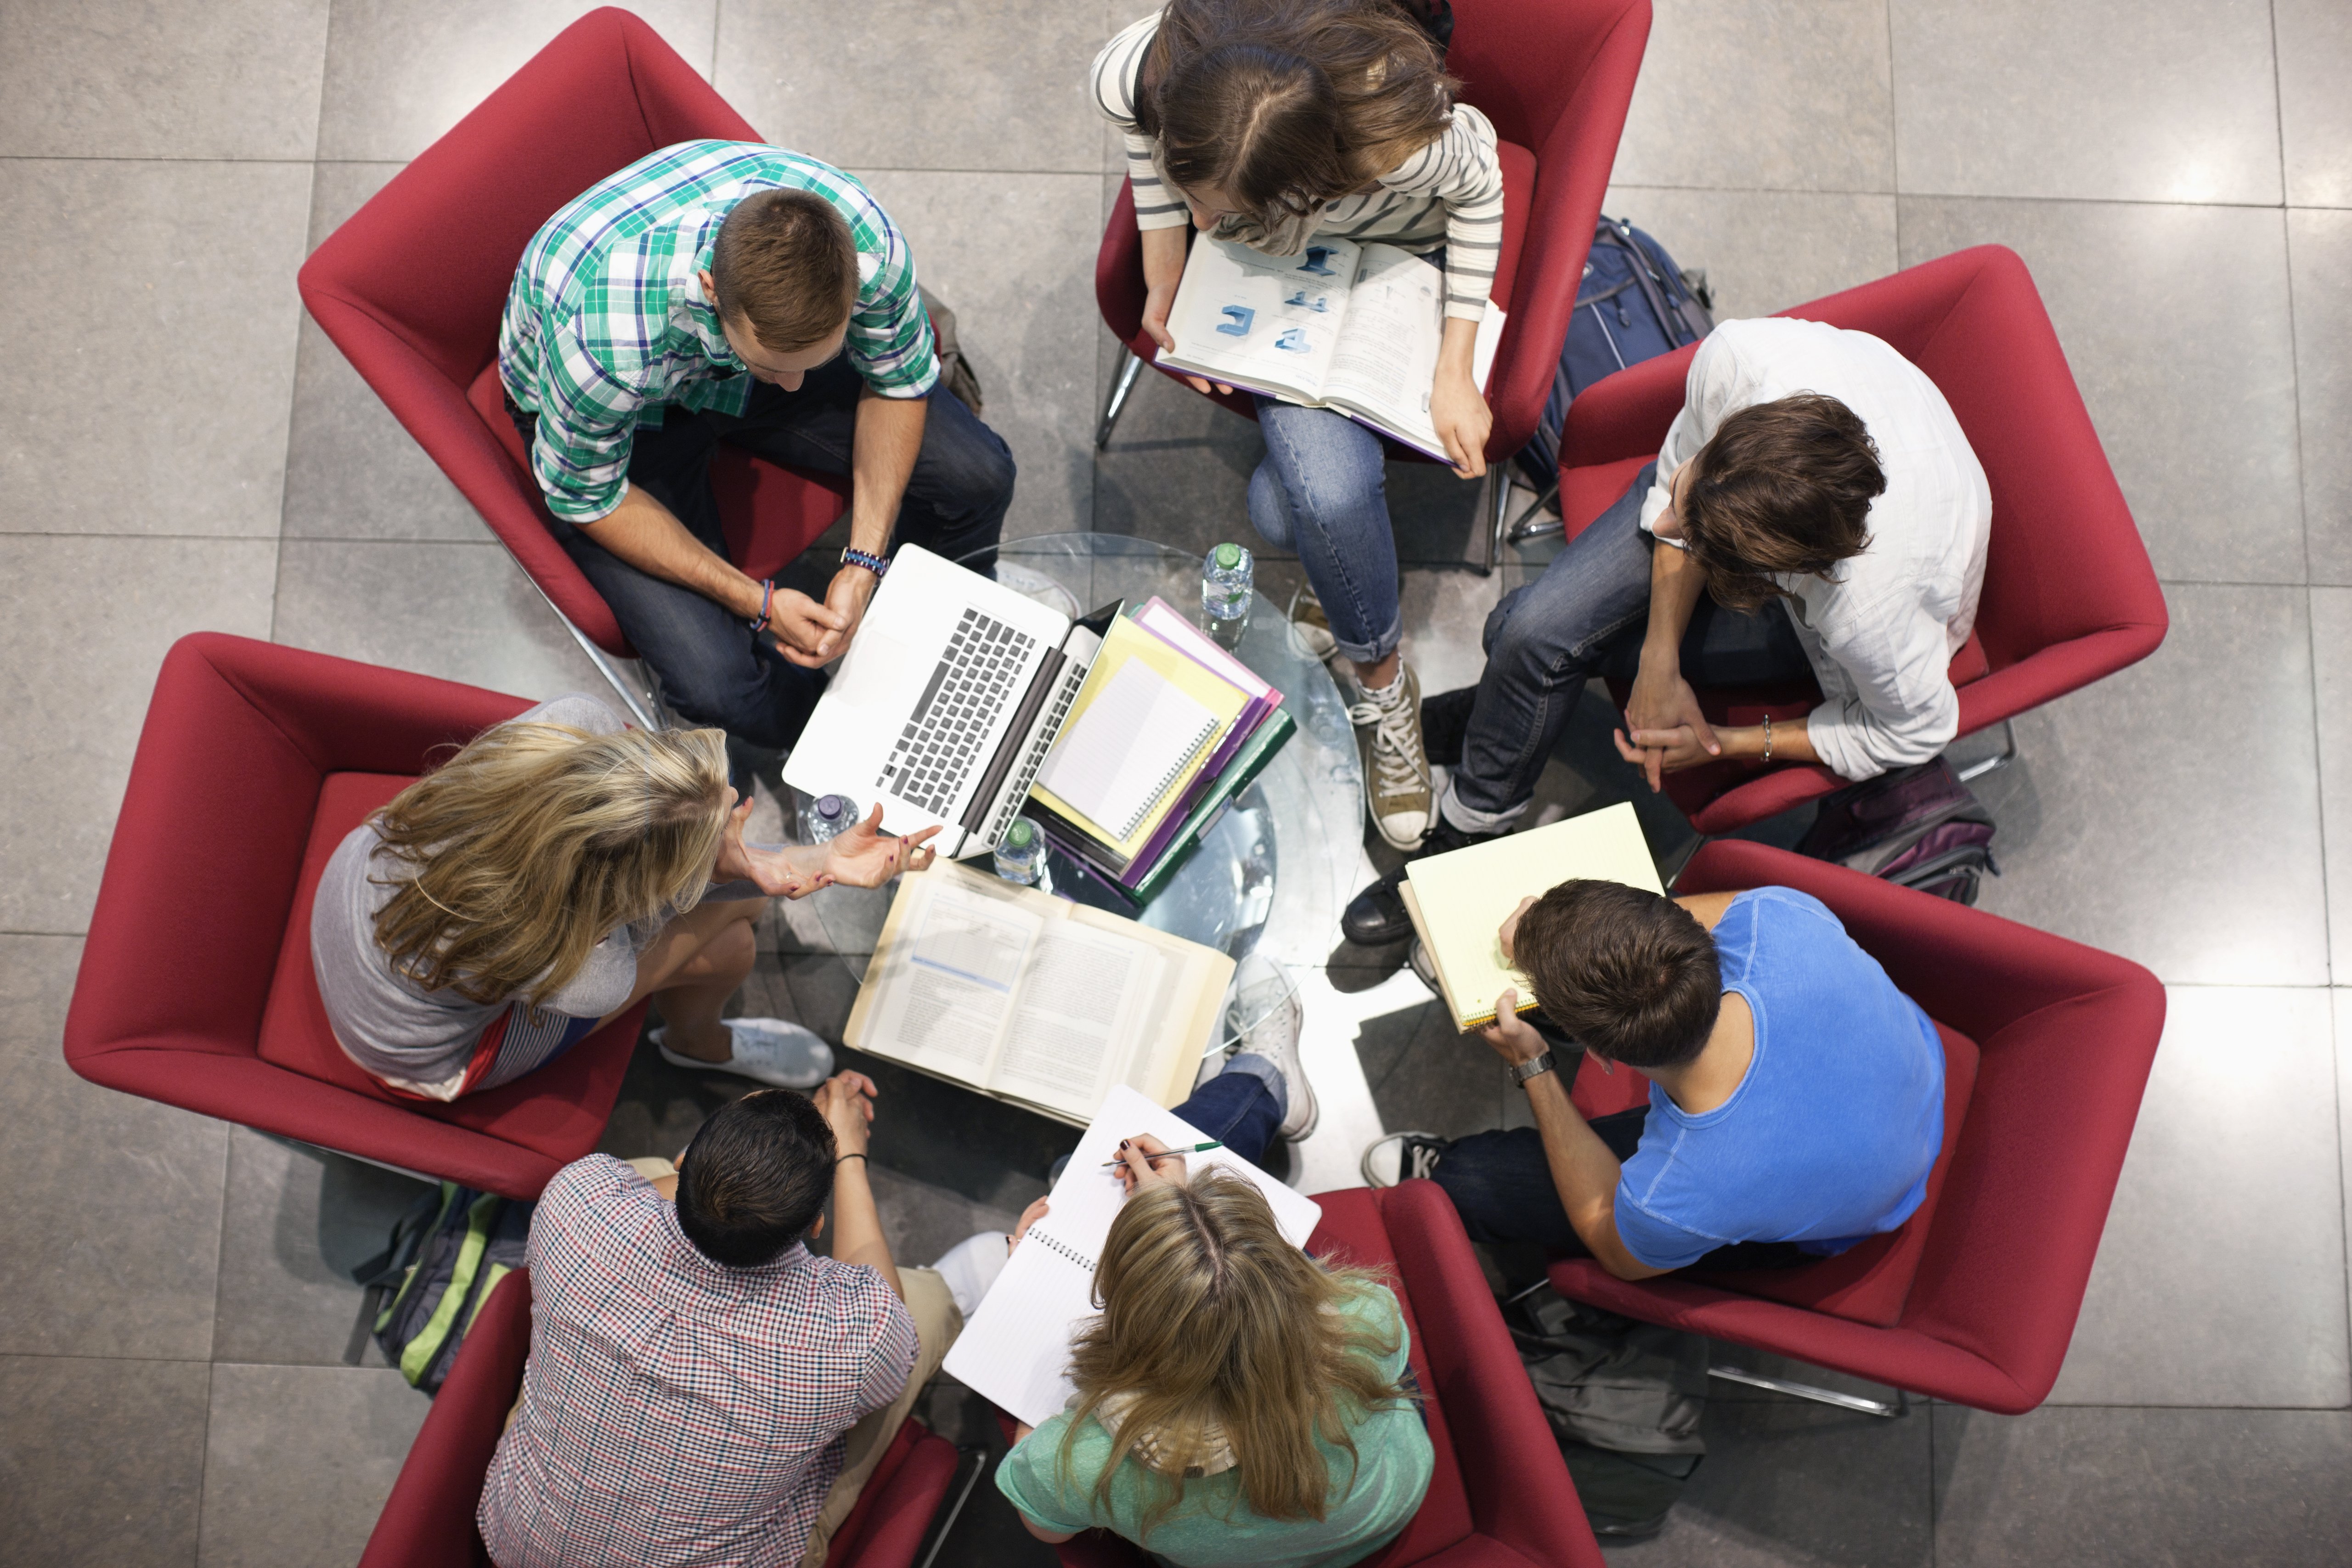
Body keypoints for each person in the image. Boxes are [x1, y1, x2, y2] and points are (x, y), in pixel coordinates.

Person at [1344, 315, 1991, 944]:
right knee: (1526, 634)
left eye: (1694, 537)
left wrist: (1729, 742)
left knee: (1537, 649)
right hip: (1786, 505)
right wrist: (1660, 659)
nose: (1667, 530)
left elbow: (1915, 728)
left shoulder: (1865, 613)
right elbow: (1670, 500)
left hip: (1851, 595)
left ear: (1763, 582)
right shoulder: (1739, 362)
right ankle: (1486, 785)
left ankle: (1469, 823)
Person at [1092, 0, 1506, 851]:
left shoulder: (1403, 140)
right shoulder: (1140, 71)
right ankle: (1362, 615)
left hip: (1394, 255)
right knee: (1314, 505)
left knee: (1308, 504)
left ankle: (1383, 678)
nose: (1202, 220)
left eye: (1221, 208)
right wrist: (1167, 261)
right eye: (1194, 199)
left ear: (1320, 180)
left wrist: (1455, 366)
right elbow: (1142, 134)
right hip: (1278, 278)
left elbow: (1483, 191)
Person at [500, 140, 1017, 761]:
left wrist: (864, 562)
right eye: (774, 365)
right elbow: (590, 497)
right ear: (711, 290)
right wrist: (760, 603)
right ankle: (844, 737)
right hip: (631, 418)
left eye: (815, 362)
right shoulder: (607, 343)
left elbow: (897, 381)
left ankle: (942, 636)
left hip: (718, 353)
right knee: (716, 685)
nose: (796, 386)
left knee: (981, 475)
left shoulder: (866, 245)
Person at [310, 694, 935, 1100]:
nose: (740, 814)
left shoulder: (574, 724)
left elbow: (653, 864)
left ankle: (700, 1031)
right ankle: (698, 1044)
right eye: (729, 827)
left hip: (360, 893)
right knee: (735, 927)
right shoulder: (588, 970)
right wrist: (757, 873)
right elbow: (657, 915)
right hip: (423, 1054)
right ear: (636, 892)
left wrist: (810, 860)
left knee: (736, 920)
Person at [478, 1071, 966, 1568]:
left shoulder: (575, 1203)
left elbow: (650, 1186)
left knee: (640, 1169)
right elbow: (885, 1313)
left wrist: (735, 1165)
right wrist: (848, 1159)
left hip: (522, 1541)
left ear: (685, 1161)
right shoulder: (848, 1346)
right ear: (816, 1226)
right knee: (923, 1305)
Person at [1365, 879, 1945, 1280]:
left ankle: (1450, 1167)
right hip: (1918, 1077)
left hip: (1862, 1215)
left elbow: (1614, 1248)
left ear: (1600, 1054)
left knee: (1468, 1180)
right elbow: (1678, 925)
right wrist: (1582, 939)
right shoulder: (1781, 917)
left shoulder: (1677, 1192)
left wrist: (1532, 1065)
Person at [993, 1049, 1428, 1567]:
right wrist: (1184, 1222)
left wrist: (1025, 1294)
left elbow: (1045, 1531)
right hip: (1390, 1501)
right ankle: (1262, 1077)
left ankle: (1260, 1080)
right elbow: (1240, 1297)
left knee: (1078, 1173)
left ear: (1123, 1317)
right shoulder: (1368, 1315)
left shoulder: (1082, 1462)